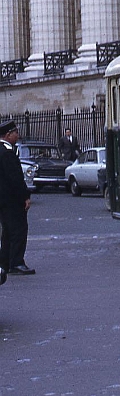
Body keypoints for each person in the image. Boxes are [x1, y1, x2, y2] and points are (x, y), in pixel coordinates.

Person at [0, 120, 34, 280]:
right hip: (12, 200)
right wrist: (25, 196)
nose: (17, 136)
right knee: (18, 230)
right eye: (15, 133)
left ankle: (5, 262)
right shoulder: (7, 153)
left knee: (7, 233)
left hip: (3, 200)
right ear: (8, 135)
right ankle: (16, 262)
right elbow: (15, 179)